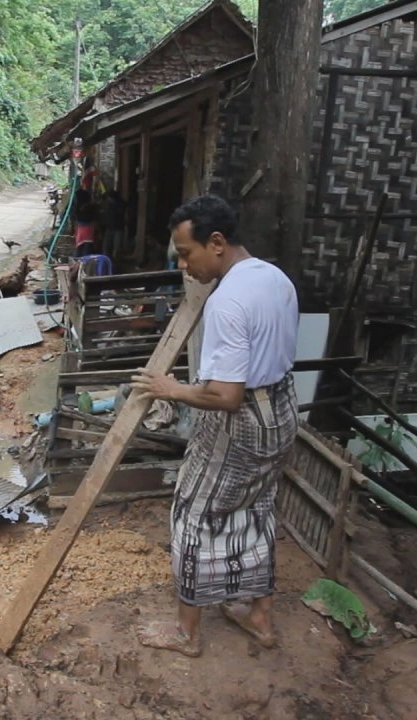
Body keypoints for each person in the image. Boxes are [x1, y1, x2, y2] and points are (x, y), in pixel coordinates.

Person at [130, 194, 301, 658]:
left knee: (193, 511)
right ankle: (259, 615)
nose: (185, 266)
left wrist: (171, 389)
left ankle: (186, 633)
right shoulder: (274, 278)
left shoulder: (227, 302)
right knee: (255, 506)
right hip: (281, 409)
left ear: (217, 243)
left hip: (241, 421)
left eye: (187, 253)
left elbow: (225, 396)